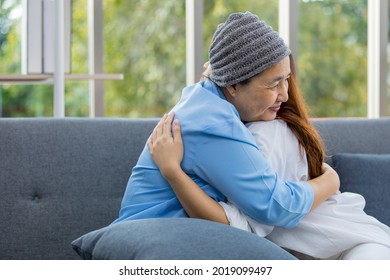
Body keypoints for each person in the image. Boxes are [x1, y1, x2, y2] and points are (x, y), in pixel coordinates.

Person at [113, 12, 339, 230]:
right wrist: (331, 180)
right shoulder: (213, 124)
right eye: (273, 84)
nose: (285, 95)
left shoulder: (204, 99)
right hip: (153, 239)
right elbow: (276, 206)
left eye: (286, 80)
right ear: (232, 85)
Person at [149, 113, 390, 260]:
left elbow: (249, 223)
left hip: (354, 246)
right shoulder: (226, 139)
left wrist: (173, 172)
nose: (283, 94)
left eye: (283, 81)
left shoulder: (267, 131)